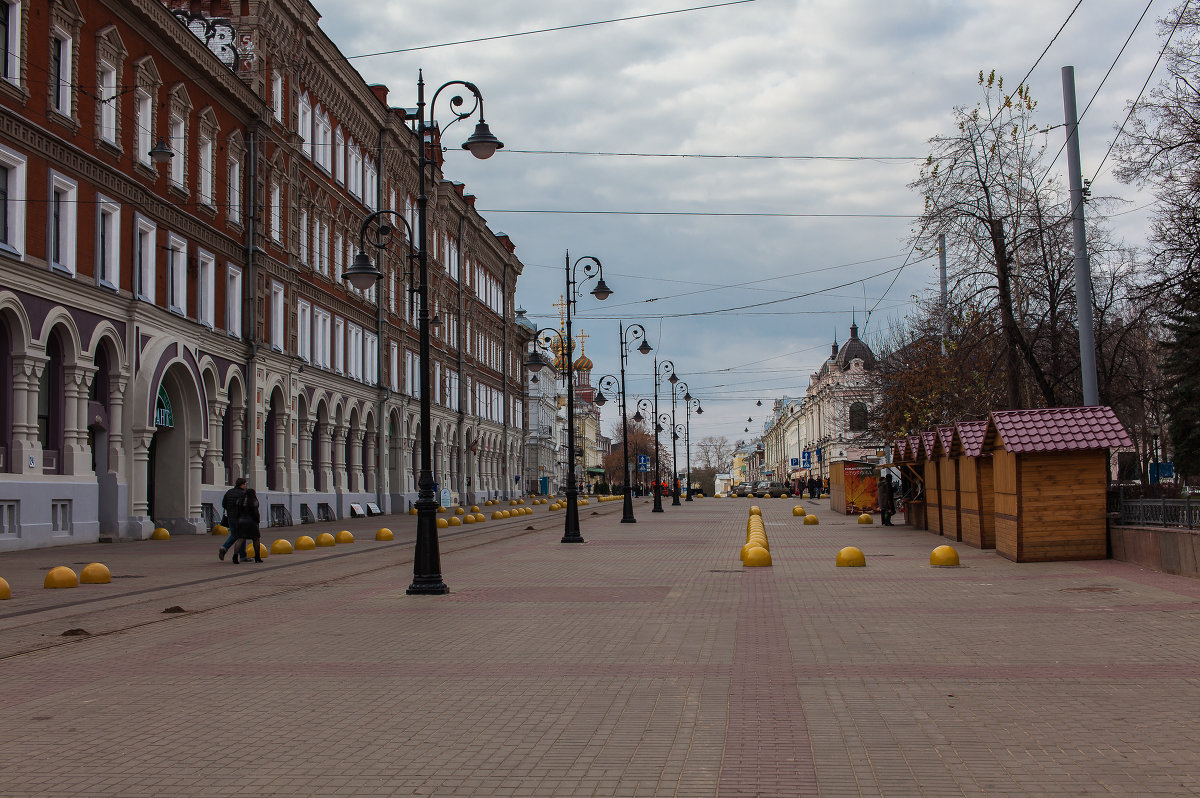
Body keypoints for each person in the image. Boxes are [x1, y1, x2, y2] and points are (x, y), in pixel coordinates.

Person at [229, 487, 262, 564]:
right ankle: (257, 557)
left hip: (241, 521)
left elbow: (237, 511)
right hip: (251, 522)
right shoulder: (254, 501)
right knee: (256, 539)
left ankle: (235, 556)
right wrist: (257, 521)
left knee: (240, 539)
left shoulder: (239, 500)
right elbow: (256, 512)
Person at [217, 478, 247, 560]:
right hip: (240, 517)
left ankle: (224, 548)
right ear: (242, 484)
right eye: (245, 484)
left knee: (234, 535)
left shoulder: (229, 492)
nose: (245, 485)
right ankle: (243, 556)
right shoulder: (243, 494)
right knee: (242, 535)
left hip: (230, 517)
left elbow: (224, 504)